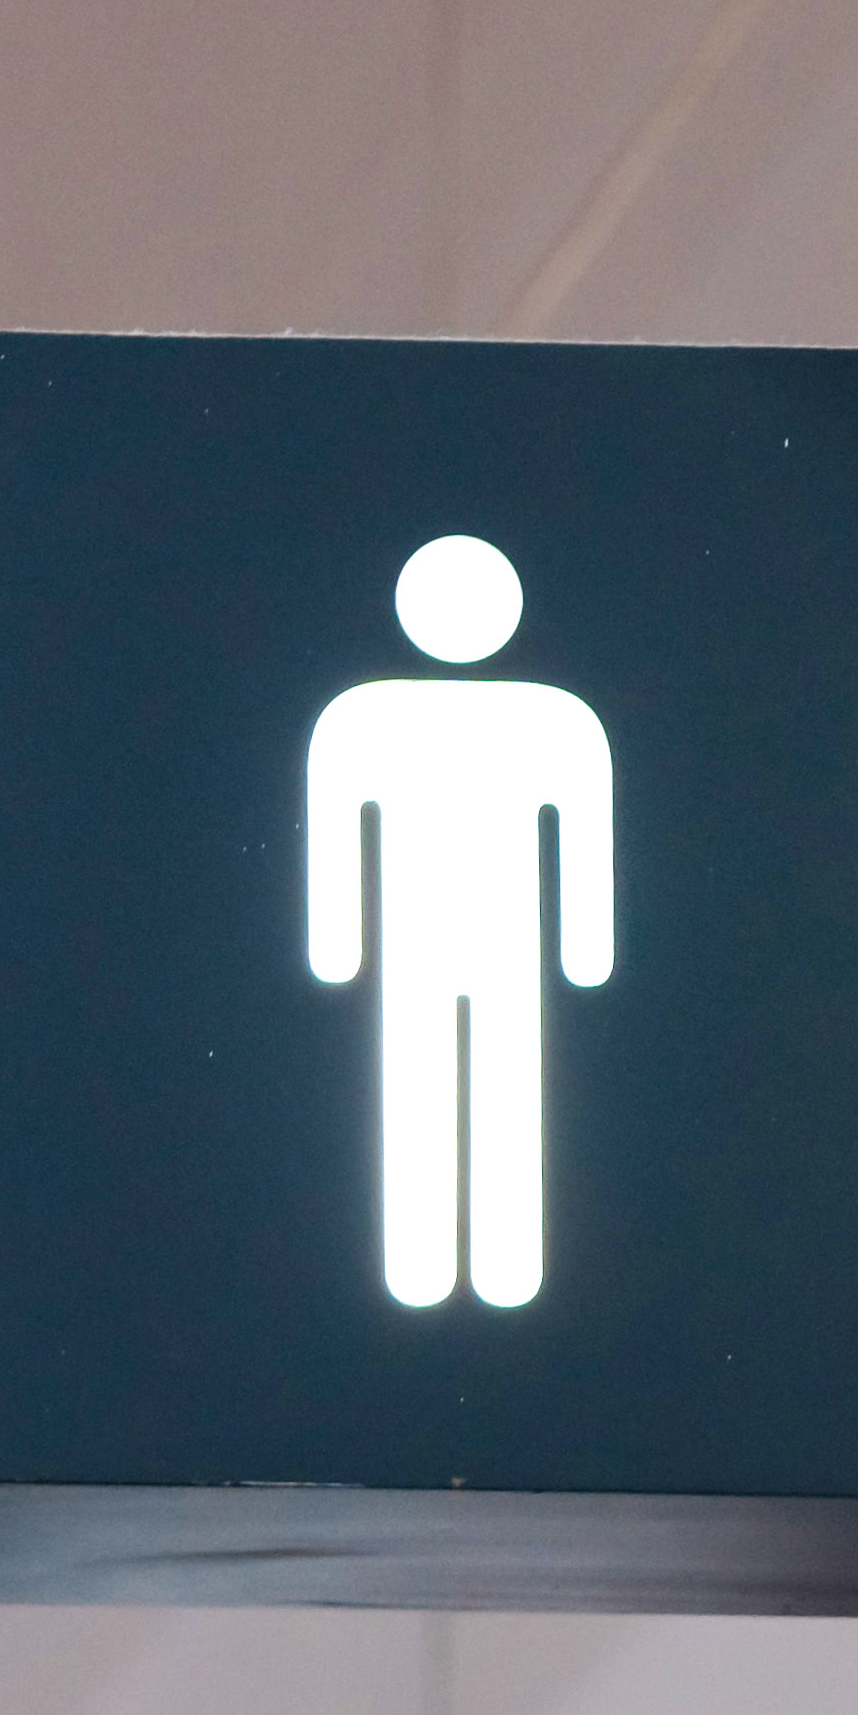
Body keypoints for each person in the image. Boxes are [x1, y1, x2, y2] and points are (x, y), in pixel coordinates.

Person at [304, 532, 616, 1310]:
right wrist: (338, 946)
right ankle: (419, 1265)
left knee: (509, 1079)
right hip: (414, 940)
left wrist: (585, 949)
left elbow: (582, 838)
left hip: (508, 939)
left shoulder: (558, 720)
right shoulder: (361, 717)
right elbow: (336, 835)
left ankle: (509, 1264)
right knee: (415, 1082)